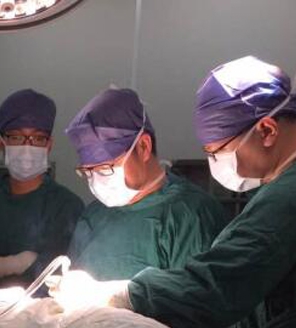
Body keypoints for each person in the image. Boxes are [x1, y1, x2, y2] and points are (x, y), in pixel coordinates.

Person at [52, 57, 296, 328]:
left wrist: (117, 294)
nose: (215, 163)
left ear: (267, 131)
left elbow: (218, 286)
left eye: (218, 151)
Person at [65, 88, 226, 281]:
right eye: (88, 171)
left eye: (105, 168)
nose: (97, 180)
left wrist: (123, 297)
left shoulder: (191, 216)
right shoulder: (93, 215)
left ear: (143, 147)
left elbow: (197, 295)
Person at [0, 89, 84, 288]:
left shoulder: (67, 206)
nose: (27, 147)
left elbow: (58, 271)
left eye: (38, 138)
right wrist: (5, 266)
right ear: (1, 143)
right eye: (16, 137)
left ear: (49, 145)